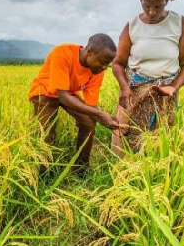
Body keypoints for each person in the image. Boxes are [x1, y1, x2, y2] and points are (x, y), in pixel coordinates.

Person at [111, 0, 184, 157]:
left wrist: (173, 87)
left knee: (159, 141)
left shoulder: (179, 23)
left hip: (164, 94)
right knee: (127, 138)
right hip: (134, 91)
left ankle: (155, 176)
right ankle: (123, 175)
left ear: (166, 1)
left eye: (158, 6)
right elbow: (118, 63)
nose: (151, 11)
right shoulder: (132, 25)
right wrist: (124, 87)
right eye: (146, 5)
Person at [28, 33, 126, 174]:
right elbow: (62, 96)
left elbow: (91, 105)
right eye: (103, 62)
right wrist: (100, 114)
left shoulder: (97, 70)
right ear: (89, 51)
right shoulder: (62, 53)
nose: (105, 67)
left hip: (69, 92)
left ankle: (81, 167)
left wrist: (108, 120)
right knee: (47, 132)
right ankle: (44, 172)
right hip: (44, 92)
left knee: (89, 122)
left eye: (107, 64)